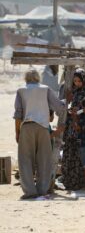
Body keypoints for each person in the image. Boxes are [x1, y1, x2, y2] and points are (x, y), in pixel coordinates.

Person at [13, 69, 65, 199]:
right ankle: (42, 189)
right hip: (43, 127)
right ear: (37, 78)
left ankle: (30, 191)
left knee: (25, 160)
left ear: (26, 78)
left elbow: (18, 114)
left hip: (27, 126)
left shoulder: (21, 90)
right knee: (44, 159)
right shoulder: (45, 89)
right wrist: (66, 100)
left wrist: (17, 132)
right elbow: (59, 106)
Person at [61, 68, 85, 190]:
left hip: (82, 130)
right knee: (70, 155)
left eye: (78, 81)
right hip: (72, 128)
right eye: (75, 81)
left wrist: (79, 112)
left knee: (82, 160)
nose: (76, 83)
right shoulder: (74, 92)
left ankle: (84, 183)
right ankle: (70, 182)